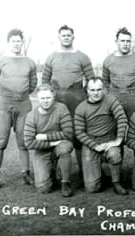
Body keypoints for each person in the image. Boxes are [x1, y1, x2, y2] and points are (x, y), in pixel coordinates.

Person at [42, 25, 95, 183]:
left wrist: (85, 97)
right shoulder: (51, 57)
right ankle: (54, 170)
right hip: (57, 99)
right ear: (59, 37)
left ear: (73, 37)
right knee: (56, 131)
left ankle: (83, 170)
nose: (66, 37)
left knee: (79, 133)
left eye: (68, 35)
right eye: (63, 35)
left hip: (76, 99)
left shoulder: (82, 56)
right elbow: (44, 82)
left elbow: (91, 80)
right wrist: (48, 97)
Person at [0, 28, 37, 189]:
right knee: (1, 140)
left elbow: (33, 84)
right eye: (13, 41)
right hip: (3, 104)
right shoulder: (0, 61)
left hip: (23, 104)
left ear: (22, 42)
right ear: (8, 43)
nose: (16, 44)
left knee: (24, 141)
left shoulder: (29, 62)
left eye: (18, 41)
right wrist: (7, 95)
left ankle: (25, 173)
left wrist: (20, 95)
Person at [74, 77, 128, 195]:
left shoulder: (111, 100)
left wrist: (118, 140)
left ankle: (116, 182)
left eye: (99, 89)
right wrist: (94, 146)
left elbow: (122, 118)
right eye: (92, 90)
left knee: (114, 154)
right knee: (92, 188)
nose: (96, 93)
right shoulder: (81, 108)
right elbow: (79, 132)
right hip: (91, 142)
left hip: (109, 140)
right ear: (87, 90)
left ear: (103, 89)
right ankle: (99, 175)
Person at [24, 84, 74, 197]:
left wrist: (45, 137)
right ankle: (51, 171)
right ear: (37, 98)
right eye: (42, 98)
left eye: (48, 97)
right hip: (42, 151)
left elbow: (68, 133)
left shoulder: (62, 108)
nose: (45, 101)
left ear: (53, 96)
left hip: (60, 146)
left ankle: (65, 182)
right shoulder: (31, 115)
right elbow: (29, 142)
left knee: (64, 147)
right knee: (43, 188)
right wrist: (52, 142)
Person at [102, 27, 135, 118]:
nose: (125, 44)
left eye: (128, 41)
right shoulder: (108, 60)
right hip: (115, 99)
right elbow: (105, 82)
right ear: (116, 41)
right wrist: (109, 97)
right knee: (116, 127)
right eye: (122, 41)